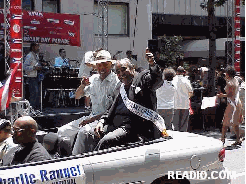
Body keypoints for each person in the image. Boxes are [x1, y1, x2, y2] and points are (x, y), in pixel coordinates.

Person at [73, 51, 165, 154]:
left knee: (106, 141)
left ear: (132, 69)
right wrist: (102, 121)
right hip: (115, 123)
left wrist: (152, 64)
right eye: (118, 72)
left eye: (124, 69)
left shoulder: (142, 79)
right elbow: (111, 108)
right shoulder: (119, 87)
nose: (121, 74)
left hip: (135, 128)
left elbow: (156, 80)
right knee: (89, 133)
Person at [58, 50, 120, 149]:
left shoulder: (116, 82)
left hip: (105, 120)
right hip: (91, 117)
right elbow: (77, 96)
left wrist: (91, 120)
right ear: (96, 67)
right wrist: (82, 86)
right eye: (99, 65)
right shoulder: (93, 79)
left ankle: (76, 160)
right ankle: (64, 156)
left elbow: (113, 110)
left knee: (83, 132)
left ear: (111, 65)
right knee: (62, 131)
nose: (102, 68)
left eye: (105, 65)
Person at [217, 66, 243, 146]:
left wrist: (222, 96)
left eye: (226, 73)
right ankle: (238, 139)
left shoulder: (230, 83)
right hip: (237, 103)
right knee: (236, 123)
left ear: (228, 74)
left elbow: (230, 94)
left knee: (225, 122)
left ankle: (222, 139)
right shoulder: (235, 80)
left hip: (232, 104)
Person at [172, 66, 193, 132]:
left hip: (175, 104)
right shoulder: (186, 80)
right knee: (184, 124)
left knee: (175, 124)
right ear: (183, 72)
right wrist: (187, 97)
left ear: (176, 72)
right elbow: (191, 91)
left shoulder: (172, 80)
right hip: (184, 104)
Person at [23, 42, 42, 110]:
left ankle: (35, 109)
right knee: (33, 94)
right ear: (33, 47)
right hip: (30, 77)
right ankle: (31, 110)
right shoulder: (29, 56)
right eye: (37, 46)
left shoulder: (36, 55)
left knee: (37, 94)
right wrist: (34, 68)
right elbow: (24, 67)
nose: (38, 48)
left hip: (36, 76)